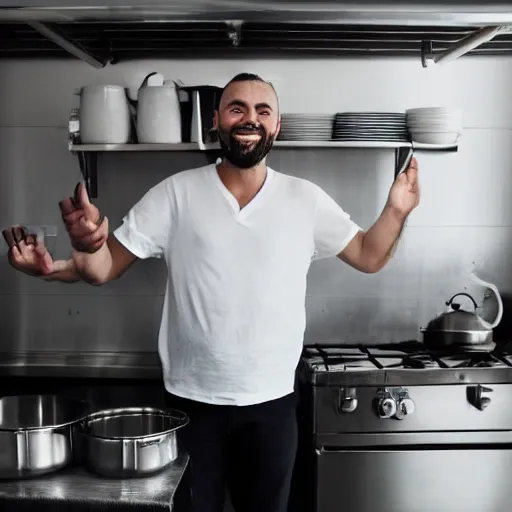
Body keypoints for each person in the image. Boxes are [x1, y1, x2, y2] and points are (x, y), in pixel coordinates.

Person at [2, 73, 420, 512]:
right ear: (216, 120)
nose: (250, 119)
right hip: (192, 404)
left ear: (276, 126)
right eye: (237, 108)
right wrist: (81, 250)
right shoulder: (175, 194)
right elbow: (104, 268)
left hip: (273, 405)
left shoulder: (305, 200)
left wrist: (396, 210)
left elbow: (371, 256)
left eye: (263, 111)